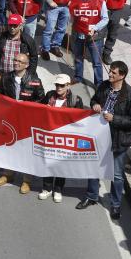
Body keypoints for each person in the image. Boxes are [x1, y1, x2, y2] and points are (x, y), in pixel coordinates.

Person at [76, 60, 131, 220]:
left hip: (118, 140)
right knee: (94, 168)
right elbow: (94, 100)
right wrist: (95, 105)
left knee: (117, 175)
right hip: (99, 136)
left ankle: (115, 204)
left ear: (122, 76)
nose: (110, 74)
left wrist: (115, 118)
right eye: (110, 71)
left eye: (114, 72)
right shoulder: (105, 86)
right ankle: (91, 196)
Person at [0, 52, 45, 193]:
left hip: (27, 120)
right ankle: (8, 174)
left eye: (20, 61)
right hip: (10, 118)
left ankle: (26, 180)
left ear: (27, 65)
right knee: (9, 147)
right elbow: (0, 97)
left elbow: (41, 100)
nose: (16, 63)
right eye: (15, 60)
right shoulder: (6, 78)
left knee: (26, 149)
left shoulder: (34, 80)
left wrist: (26, 105)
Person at [36, 74, 83, 202]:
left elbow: (80, 121)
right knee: (48, 162)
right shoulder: (50, 95)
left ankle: (58, 189)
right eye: (57, 85)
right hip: (49, 136)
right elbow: (40, 108)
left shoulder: (76, 100)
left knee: (61, 165)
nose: (58, 88)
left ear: (68, 86)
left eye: (61, 85)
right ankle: (47, 188)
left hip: (64, 138)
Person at [68, 0, 109, 86]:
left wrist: (95, 28)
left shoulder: (101, 1)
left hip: (94, 37)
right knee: (78, 58)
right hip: (78, 35)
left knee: (96, 63)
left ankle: (98, 83)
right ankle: (78, 77)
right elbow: (71, 15)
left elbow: (105, 19)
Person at [0, 13, 38, 82]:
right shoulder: (0, 37)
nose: (12, 28)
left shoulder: (27, 40)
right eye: (10, 25)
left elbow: (34, 58)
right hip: (1, 75)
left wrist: (28, 75)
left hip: (19, 77)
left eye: (15, 26)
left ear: (20, 26)